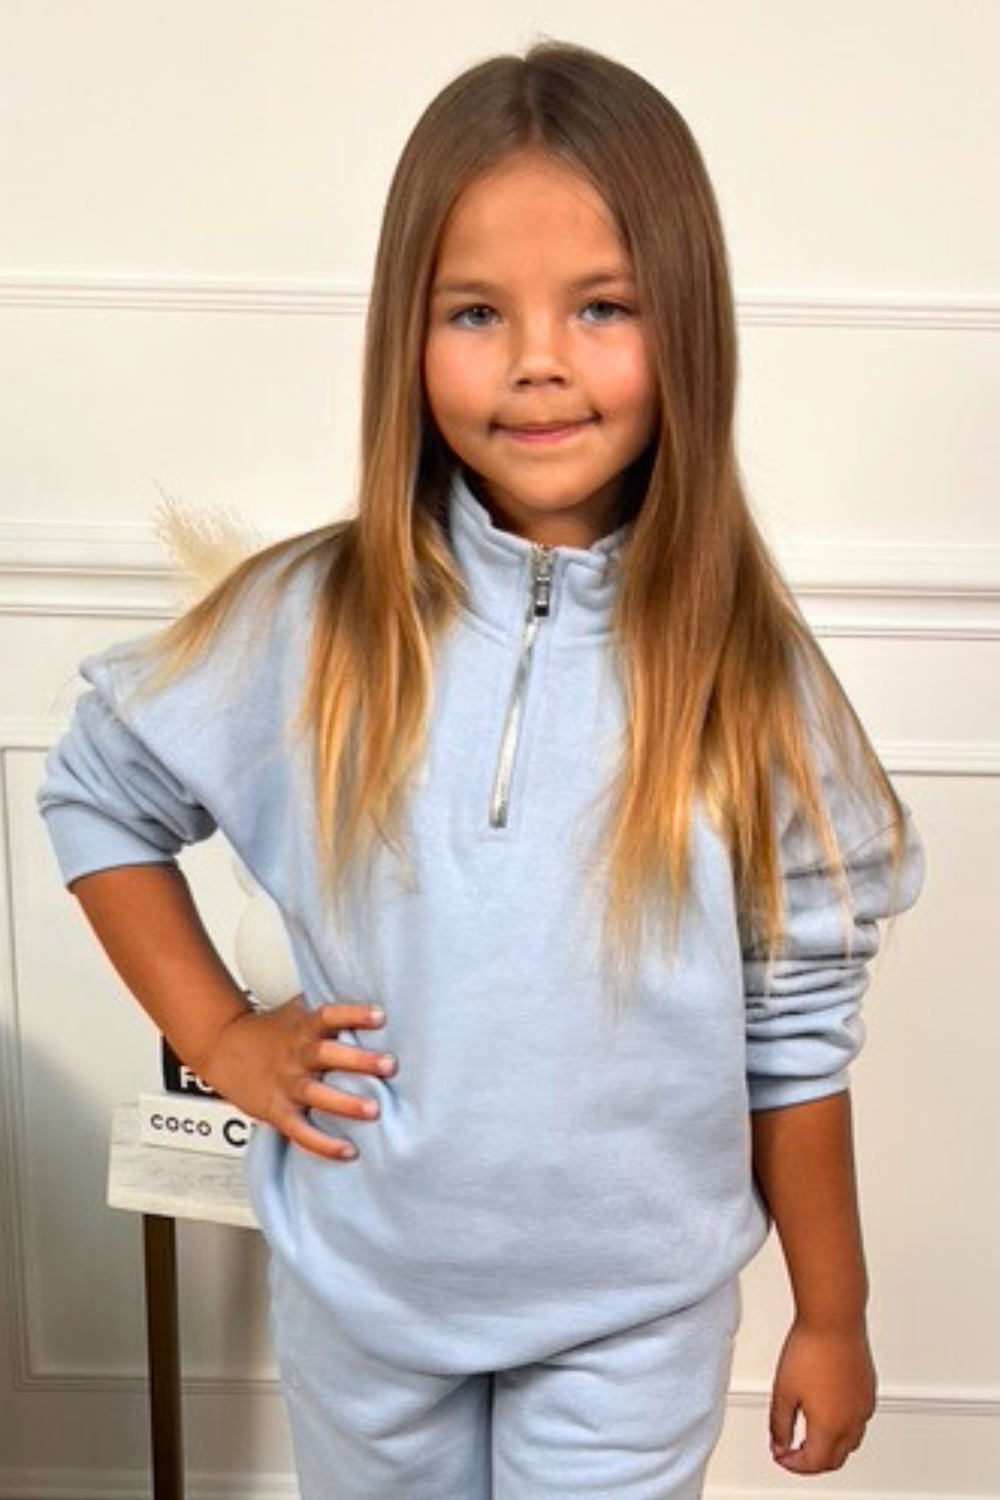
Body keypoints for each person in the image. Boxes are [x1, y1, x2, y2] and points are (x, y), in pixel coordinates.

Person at [36, 38, 927, 1500]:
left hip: (631, 1323)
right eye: (474, 311)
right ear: (406, 333)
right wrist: (224, 1035)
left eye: (602, 307)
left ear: (688, 329)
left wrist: (834, 1316)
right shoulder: (308, 622)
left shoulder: (752, 677)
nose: (538, 359)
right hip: (364, 1296)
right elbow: (97, 795)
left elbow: (798, 1033)